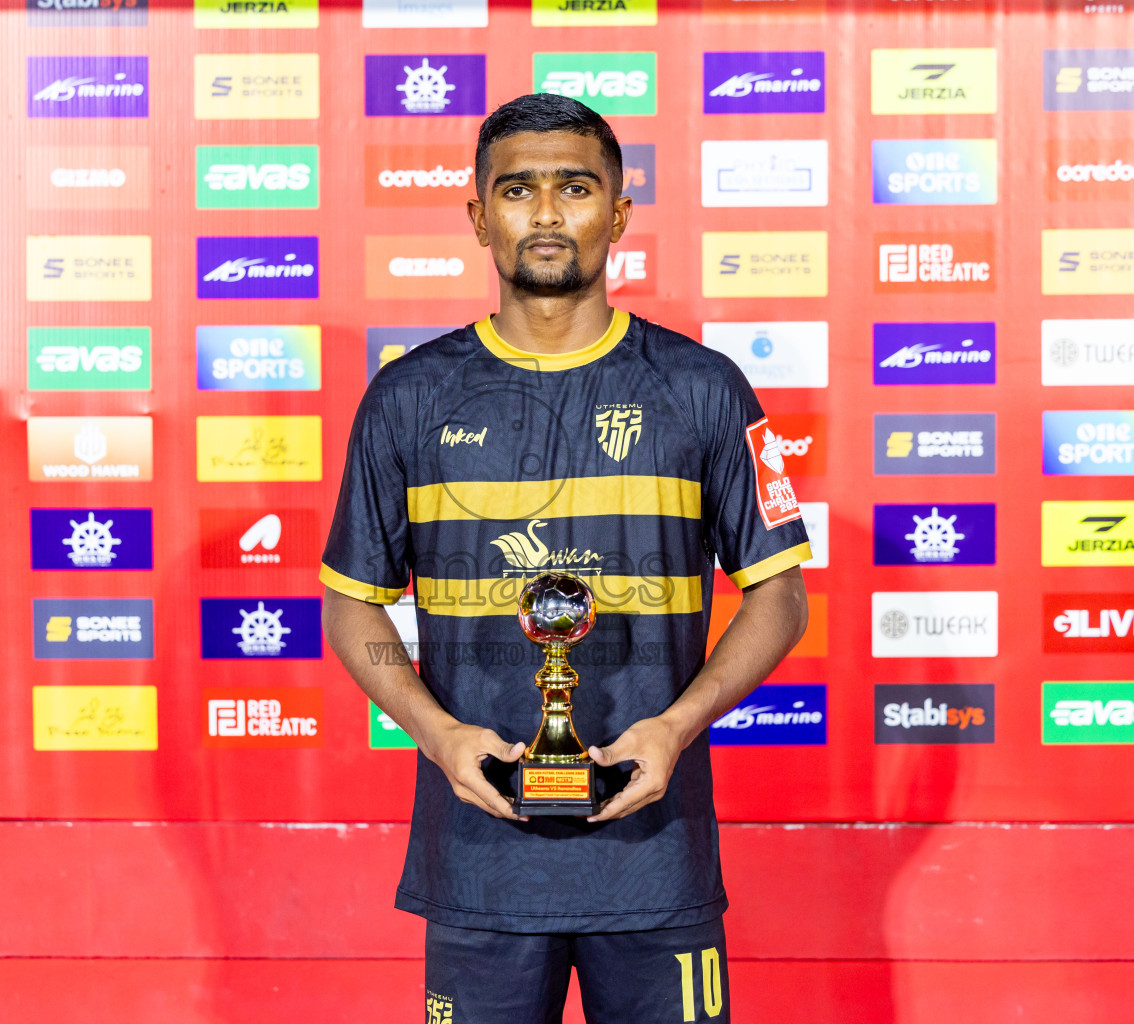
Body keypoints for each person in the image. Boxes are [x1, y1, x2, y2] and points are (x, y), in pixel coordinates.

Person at [320, 92, 811, 1023]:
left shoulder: (705, 390)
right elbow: (353, 608)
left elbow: (780, 600)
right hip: (480, 865)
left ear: (619, 214)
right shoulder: (408, 398)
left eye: (576, 188)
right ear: (478, 218)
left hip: (654, 860)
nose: (547, 215)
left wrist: (676, 726)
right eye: (518, 190)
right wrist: (439, 733)